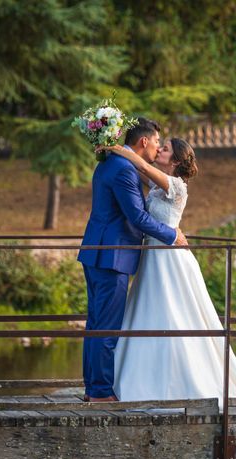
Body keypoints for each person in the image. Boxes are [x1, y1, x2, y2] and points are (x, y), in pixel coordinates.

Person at [99, 139, 236, 407]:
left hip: (170, 260)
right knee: (148, 313)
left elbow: (142, 168)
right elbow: (134, 174)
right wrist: (112, 153)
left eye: (166, 149)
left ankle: (181, 378)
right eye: (161, 145)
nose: (159, 150)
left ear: (176, 162)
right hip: (152, 259)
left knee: (175, 315)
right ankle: (140, 377)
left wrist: (118, 149)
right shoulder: (159, 186)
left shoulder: (177, 187)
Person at [77, 118, 188, 402]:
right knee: (106, 326)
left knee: (95, 323)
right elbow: (137, 216)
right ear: (143, 142)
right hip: (113, 256)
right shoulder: (124, 169)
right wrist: (171, 235)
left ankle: (93, 387)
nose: (156, 148)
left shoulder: (109, 162)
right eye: (155, 143)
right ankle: (101, 392)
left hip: (96, 251)